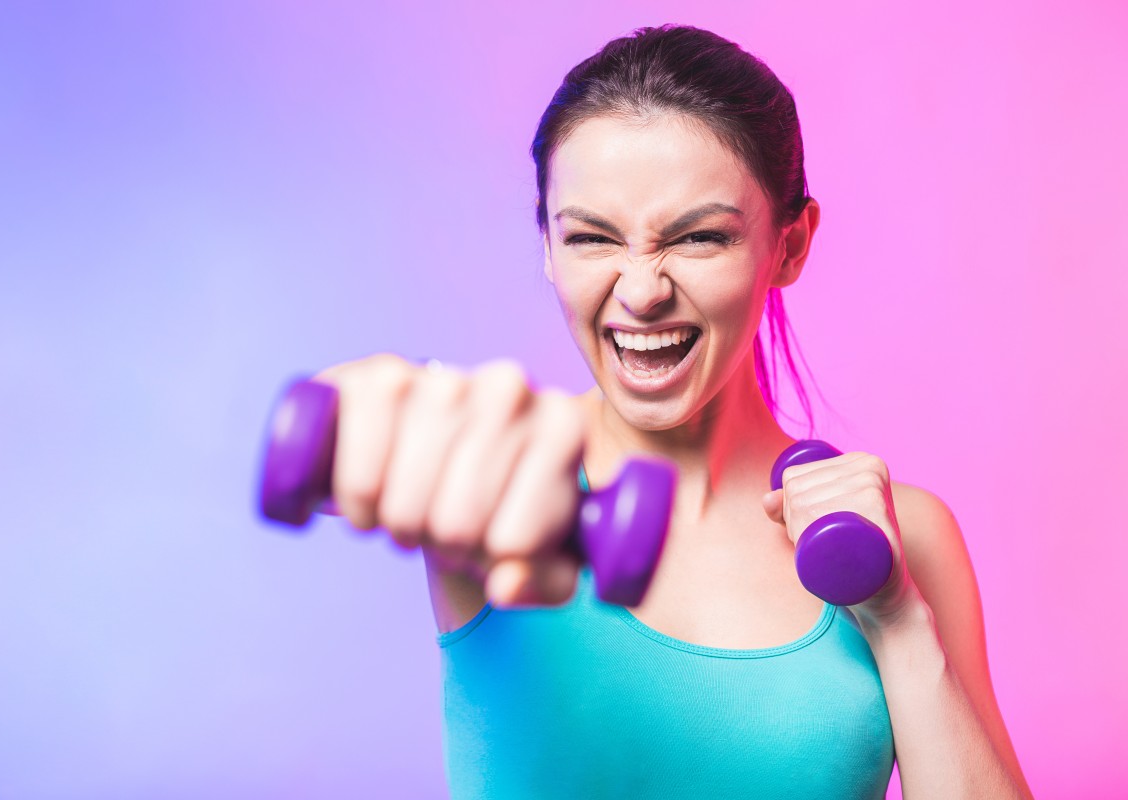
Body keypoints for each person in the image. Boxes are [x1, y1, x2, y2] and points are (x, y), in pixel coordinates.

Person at [318, 24, 1032, 799]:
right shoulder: (498, 483)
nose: (641, 290)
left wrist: (898, 620)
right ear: (548, 247)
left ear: (789, 246)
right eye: (592, 237)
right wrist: (390, 406)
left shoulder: (905, 535)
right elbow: (337, 428)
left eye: (697, 237)